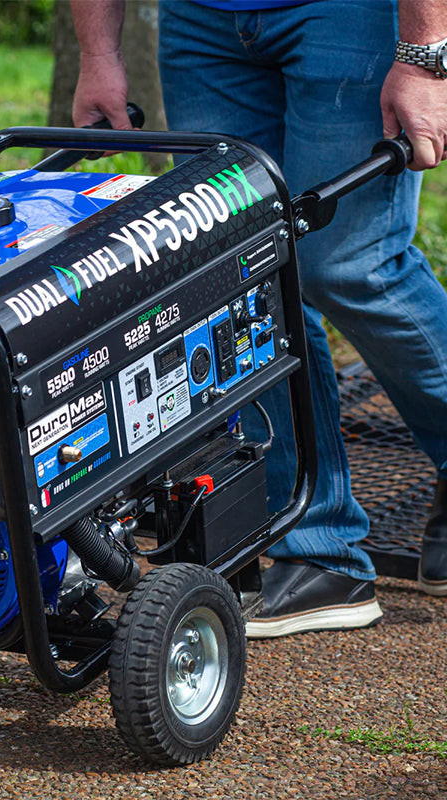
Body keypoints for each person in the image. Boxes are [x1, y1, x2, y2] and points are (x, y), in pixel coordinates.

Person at [71, 0, 447, 637]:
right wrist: (99, 53)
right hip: (202, 22)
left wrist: (425, 56)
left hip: (350, 14)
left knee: (351, 264)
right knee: (242, 273)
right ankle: (317, 547)